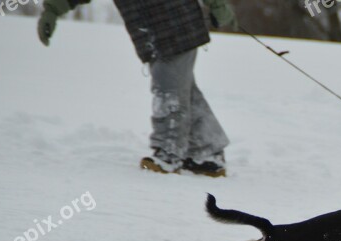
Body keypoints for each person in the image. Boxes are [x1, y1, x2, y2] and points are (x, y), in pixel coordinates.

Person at [38, 0, 237, 178]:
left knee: (169, 92)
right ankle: (208, 154)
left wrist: (217, 4)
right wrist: (53, 9)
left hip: (178, 25)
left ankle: (169, 154)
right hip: (151, 33)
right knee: (184, 91)